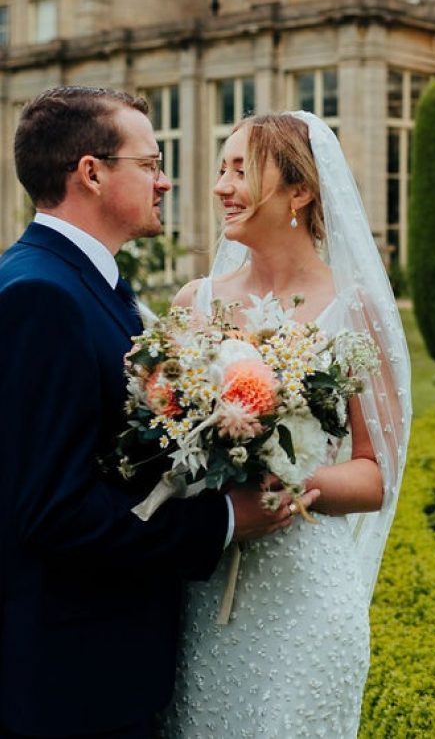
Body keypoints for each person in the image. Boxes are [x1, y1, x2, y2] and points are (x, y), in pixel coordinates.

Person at [0, 87, 299, 739]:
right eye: (150, 162)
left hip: (106, 669)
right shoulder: (39, 297)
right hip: (69, 687)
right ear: (92, 172)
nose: (165, 181)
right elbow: (53, 512)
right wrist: (223, 518)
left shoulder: (88, 283)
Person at [162, 112, 411, 738]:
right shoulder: (195, 305)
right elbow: (160, 438)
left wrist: (289, 480)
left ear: (300, 191)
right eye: (221, 168)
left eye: (241, 169)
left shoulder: (355, 310)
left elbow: (376, 472)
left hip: (306, 604)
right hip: (203, 595)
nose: (221, 185)